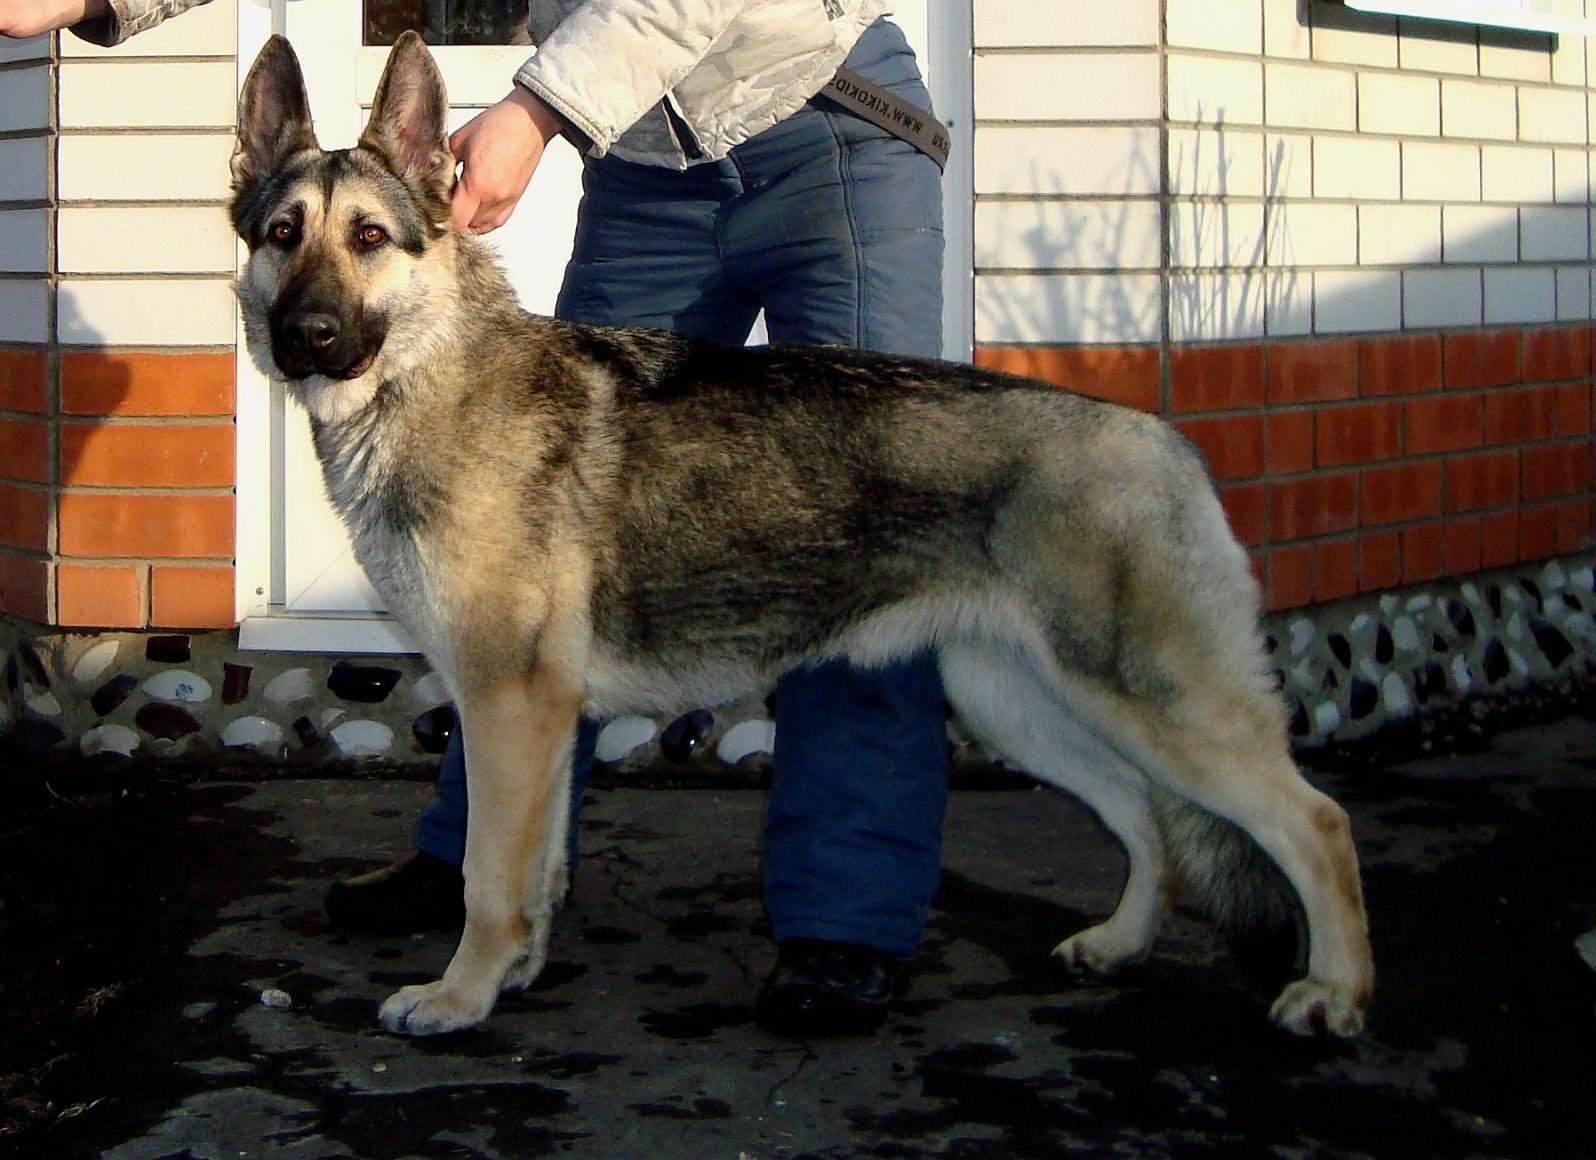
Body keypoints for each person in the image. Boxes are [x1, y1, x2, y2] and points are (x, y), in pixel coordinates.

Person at [8, 0, 951, 1037]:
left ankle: (844, 914)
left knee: (871, 530)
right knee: (518, 564)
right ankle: (482, 875)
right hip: (645, 155)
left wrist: (539, 109)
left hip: (828, 126)